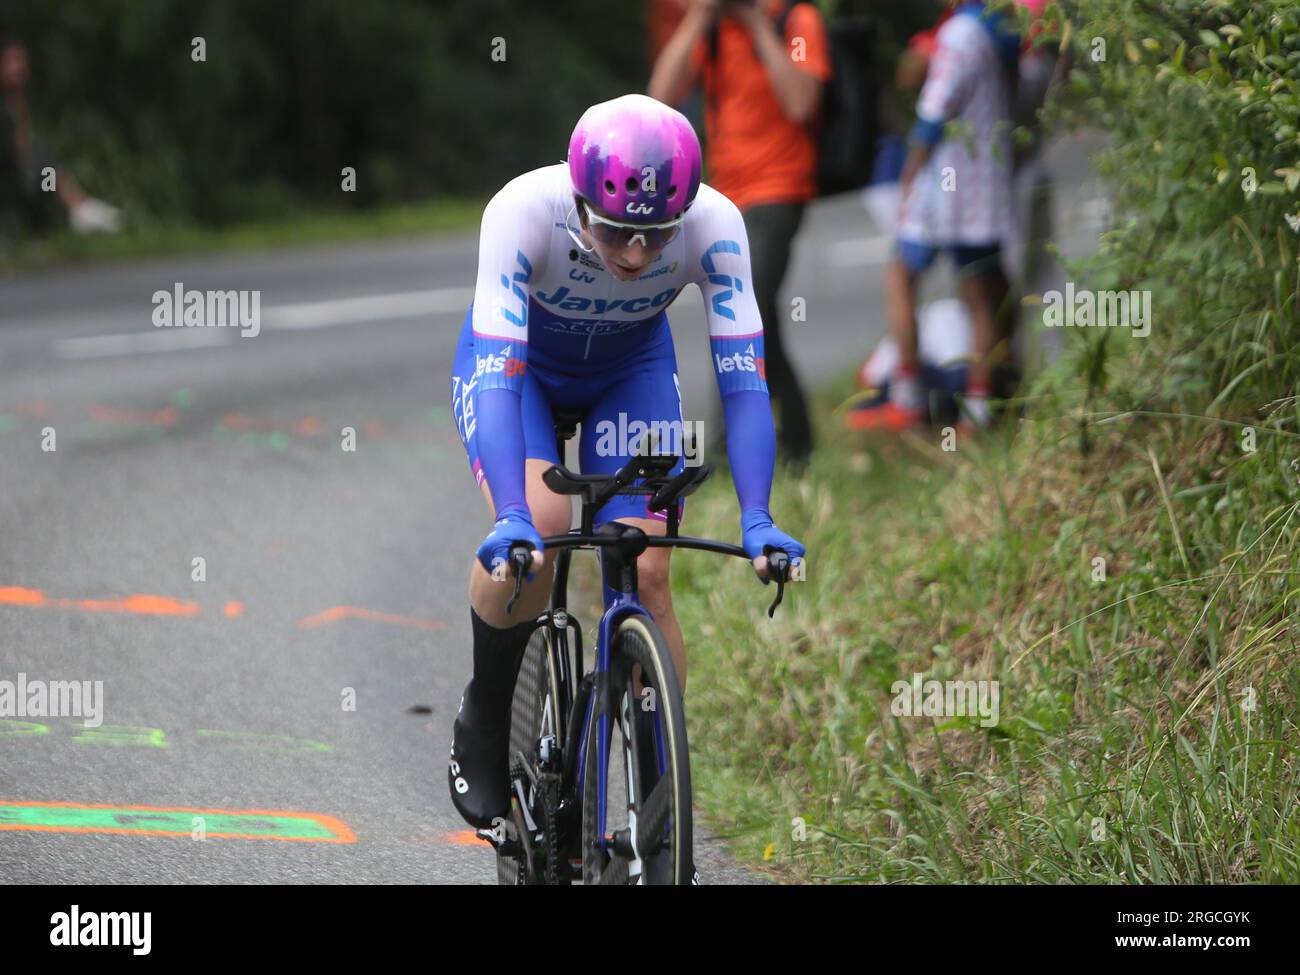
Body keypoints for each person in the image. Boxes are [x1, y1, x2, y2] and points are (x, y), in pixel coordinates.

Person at [446, 94, 805, 880]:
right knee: (536, 531)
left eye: (655, 234)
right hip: (520, 373)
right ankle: (488, 703)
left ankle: (659, 799)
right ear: (578, 199)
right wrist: (510, 512)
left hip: (630, 371)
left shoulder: (716, 224)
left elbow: (743, 384)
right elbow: (501, 376)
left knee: (645, 564)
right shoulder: (522, 212)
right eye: (615, 232)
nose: (638, 255)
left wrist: (757, 516)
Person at [649, 0, 830, 464]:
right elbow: (659, 100)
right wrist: (697, 19)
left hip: (779, 188)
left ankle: (728, 450)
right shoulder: (710, 28)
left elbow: (801, 101)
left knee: (737, 306)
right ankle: (797, 442)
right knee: (758, 310)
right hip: (726, 196)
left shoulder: (796, 20)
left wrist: (757, 25)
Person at [845, 0, 1019, 434]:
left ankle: (907, 399)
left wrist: (911, 168)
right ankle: (978, 414)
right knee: (982, 294)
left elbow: (934, 110)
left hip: (947, 186)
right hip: (985, 186)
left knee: (901, 277)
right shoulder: (1000, 29)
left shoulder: (960, 33)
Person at [0, 36, 122, 237]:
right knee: (44, 160)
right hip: (7, 175)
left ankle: (73, 212)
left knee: (45, 167)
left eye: (21, 60)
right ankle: (80, 208)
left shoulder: (16, 101)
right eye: (11, 61)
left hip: (20, 174)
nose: (19, 68)